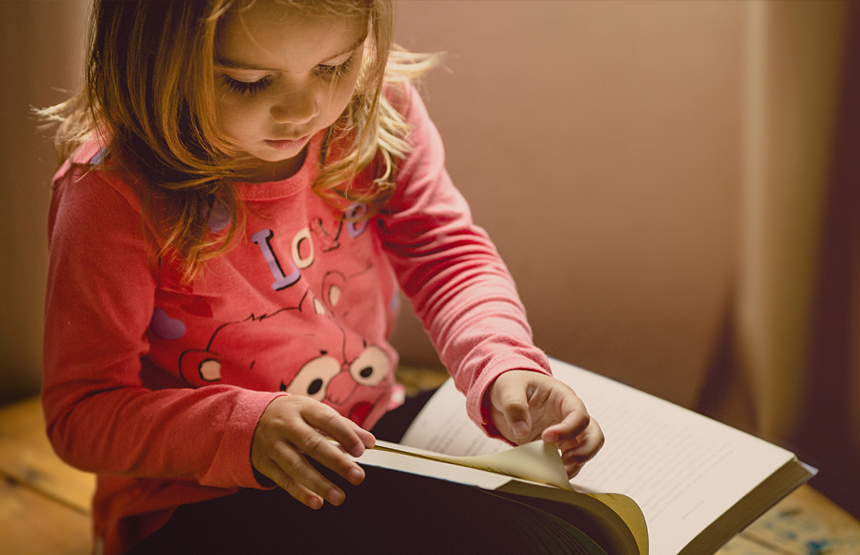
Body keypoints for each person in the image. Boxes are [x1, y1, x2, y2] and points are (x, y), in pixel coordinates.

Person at [40, 1, 604, 553]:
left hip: (371, 437)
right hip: (196, 501)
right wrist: (244, 430)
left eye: (334, 67)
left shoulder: (374, 112)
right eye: (249, 81)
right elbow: (81, 414)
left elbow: (445, 253)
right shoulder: (110, 195)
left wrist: (501, 361)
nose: (303, 110)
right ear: (149, 58)